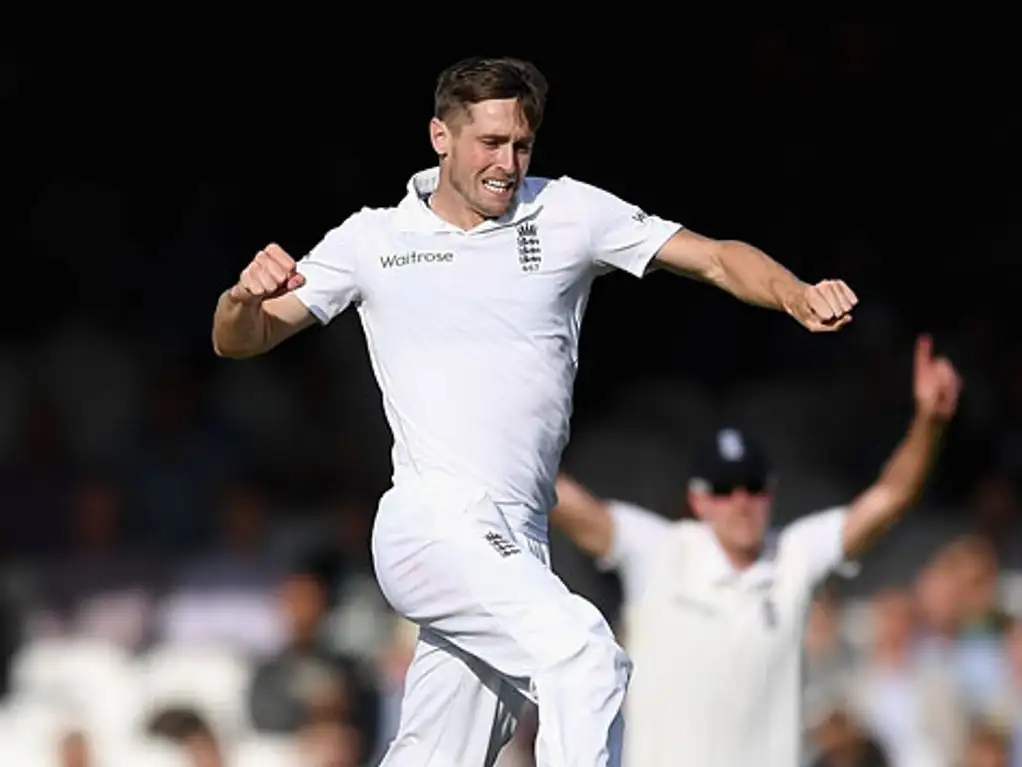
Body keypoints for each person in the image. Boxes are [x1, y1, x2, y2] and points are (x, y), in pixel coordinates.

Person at [211, 55, 857, 767]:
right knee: (586, 657)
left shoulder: (570, 211)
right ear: (440, 135)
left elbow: (713, 257)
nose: (507, 164)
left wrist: (794, 292)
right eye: (490, 143)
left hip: (517, 538)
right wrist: (241, 299)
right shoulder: (372, 240)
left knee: (440, 755)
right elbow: (243, 337)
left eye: (521, 145)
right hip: (436, 520)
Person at [552, 334, 961, 767]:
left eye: (753, 486)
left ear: (771, 492)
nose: (741, 502)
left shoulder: (795, 555)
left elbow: (891, 497)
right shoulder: (659, 550)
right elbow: (564, 500)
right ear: (698, 501)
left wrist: (929, 422)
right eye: (724, 489)